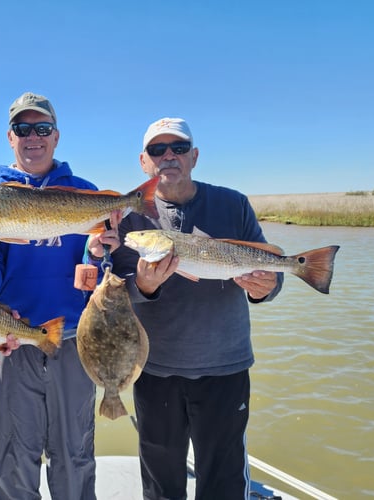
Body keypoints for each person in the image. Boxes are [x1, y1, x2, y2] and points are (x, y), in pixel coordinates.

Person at [0, 92, 119, 500]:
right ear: (11, 138)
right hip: (9, 342)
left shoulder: (86, 193)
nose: (32, 137)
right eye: (23, 129)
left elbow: (99, 277)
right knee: (6, 461)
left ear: (56, 136)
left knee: (75, 456)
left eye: (42, 128)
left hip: (75, 343)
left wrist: (98, 253)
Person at [110, 117, 284, 500]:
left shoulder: (233, 203)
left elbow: (269, 268)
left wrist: (266, 287)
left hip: (225, 366)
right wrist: (143, 285)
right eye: (158, 150)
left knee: (223, 480)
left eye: (178, 148)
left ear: (195, 156)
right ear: (144, 161)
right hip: (154, 368)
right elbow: (113, 290)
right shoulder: (129, 216)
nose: (168, 156)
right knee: (160, 481)